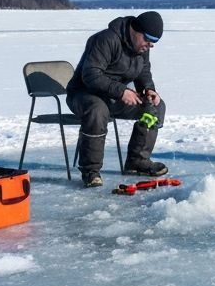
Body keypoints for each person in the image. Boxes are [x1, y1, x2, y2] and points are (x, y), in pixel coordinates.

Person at [66, 11, 169, 188]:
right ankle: (90, 171)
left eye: (155, 42)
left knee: (155, 107)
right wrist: (122, 91)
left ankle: (137, 161)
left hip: (114, 96)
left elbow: (143, 71)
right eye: (148, 39)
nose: (150, 45)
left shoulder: (140, 47)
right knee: (98, 110)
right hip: (84, 94)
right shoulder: (105, 40)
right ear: (135, 31)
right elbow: (91, 75)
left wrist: (149, 89)